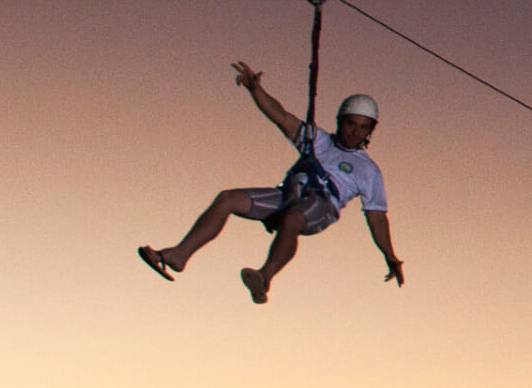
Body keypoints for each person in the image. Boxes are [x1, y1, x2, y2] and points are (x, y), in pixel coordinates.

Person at [138, 60, 403, 304]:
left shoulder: (368, 171)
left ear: (370, 131)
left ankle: (264, 277)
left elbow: (377, 217)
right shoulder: (317, 139)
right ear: (340, 122)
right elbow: (281, 116)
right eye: (350, 124)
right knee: (227, 198)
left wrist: (389, 255)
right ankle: (178, 256)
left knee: (292, 219)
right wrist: (255, 90)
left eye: (363, 127)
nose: (355, 131)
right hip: (289, 194)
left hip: (320, 206)